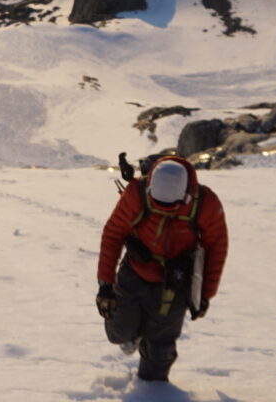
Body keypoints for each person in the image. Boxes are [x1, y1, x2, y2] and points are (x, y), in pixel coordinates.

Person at [95, 154, 229, 383]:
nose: (165, 211)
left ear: (186, 193)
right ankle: (133, 334)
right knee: (120, 332)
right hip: (135, 273)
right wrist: (105, 286)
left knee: (160, 350)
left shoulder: (206, 203)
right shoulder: (136, 193)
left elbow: (216, 246)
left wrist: (204, 294)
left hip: (175, 283)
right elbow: (113, 234)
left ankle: (152, 391)